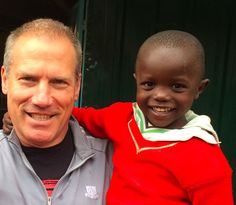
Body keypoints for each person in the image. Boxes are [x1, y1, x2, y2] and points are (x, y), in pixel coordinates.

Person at [2, 30, 234, 205]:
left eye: (177, 86)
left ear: (199, 89)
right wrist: (31, 114)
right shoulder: (124, 119)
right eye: (149, 84)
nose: (161, 96)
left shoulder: (205, 156)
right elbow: (85, 116)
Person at [0, 18, 112, 205]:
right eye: (28, 79)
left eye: (58, 82)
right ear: (5, 80)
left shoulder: (116, 163)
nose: (42, 99)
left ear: (77, 87)